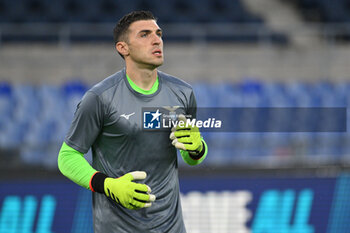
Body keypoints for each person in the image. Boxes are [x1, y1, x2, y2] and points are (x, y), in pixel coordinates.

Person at [57, 10, 208, 233]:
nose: (157, 40)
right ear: (123, 48)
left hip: (171, 227)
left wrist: (197, 148)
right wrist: (108, 185)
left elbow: (192, 156)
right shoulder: (100, 98)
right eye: (144, 35)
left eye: (159, 33)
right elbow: (67, 157)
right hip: (116, 228)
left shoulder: (183, 93)